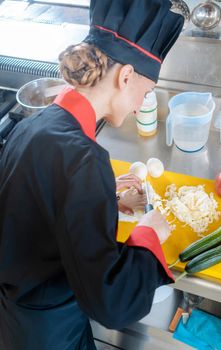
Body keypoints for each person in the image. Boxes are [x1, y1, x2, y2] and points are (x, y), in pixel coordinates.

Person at [0, 0, 184, 349]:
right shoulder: (85, 161)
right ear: (126, 76)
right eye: (144, 94)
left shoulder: (39, 123)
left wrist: (104, 198)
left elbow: (36, 208)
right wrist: (148, 235)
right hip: (51, 328)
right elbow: (112, 303)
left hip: (18, 317)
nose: (138, 107)